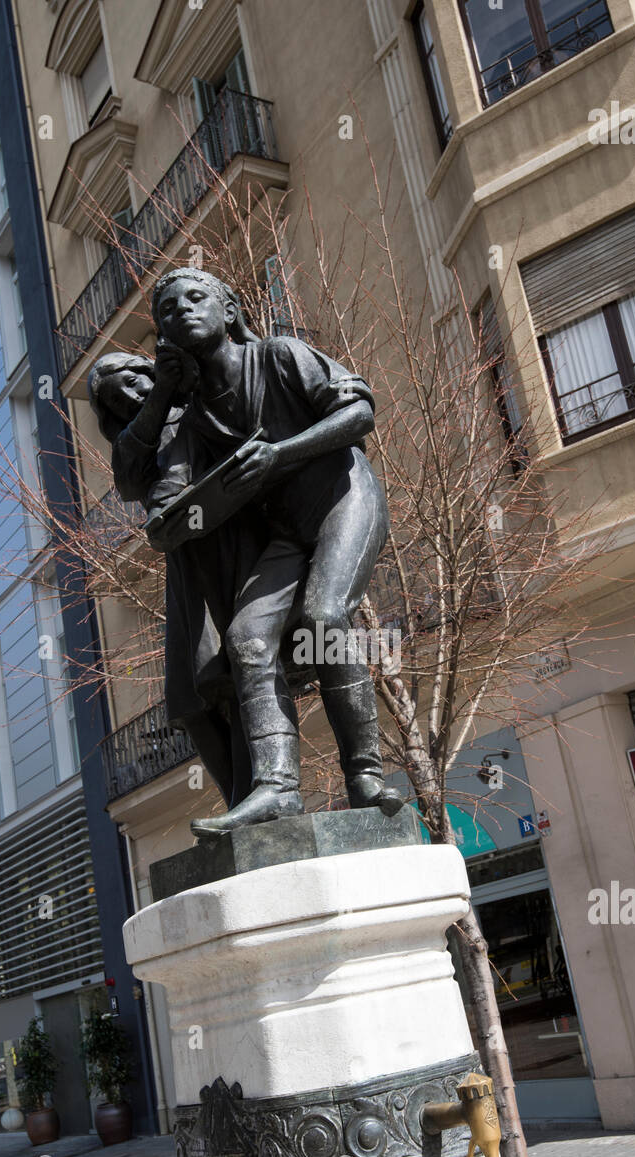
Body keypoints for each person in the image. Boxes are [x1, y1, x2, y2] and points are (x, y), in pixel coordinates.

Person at [144, 267, 401, 836]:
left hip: (342, 497)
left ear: (229, 311)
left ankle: (365, 774)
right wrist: (195, 507)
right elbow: (166, 520)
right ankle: (278, 787)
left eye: (194, 298)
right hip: (289, 533)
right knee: (245, 639)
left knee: (324, 615)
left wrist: (280, 456)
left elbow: (359, 413)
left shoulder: (281, 355)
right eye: (166, 310)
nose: (181, 310)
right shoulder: (193, 425)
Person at [87, 347, 266, 811]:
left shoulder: (199, 407)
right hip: (189, 566)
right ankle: (239, 804)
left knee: (235, 675)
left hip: (238, 549)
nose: (129, 393)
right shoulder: (135, 440)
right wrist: (161, 392)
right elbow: (129, 481)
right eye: (115, 395)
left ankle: (256, 800)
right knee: (189, 702)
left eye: (133, 378)